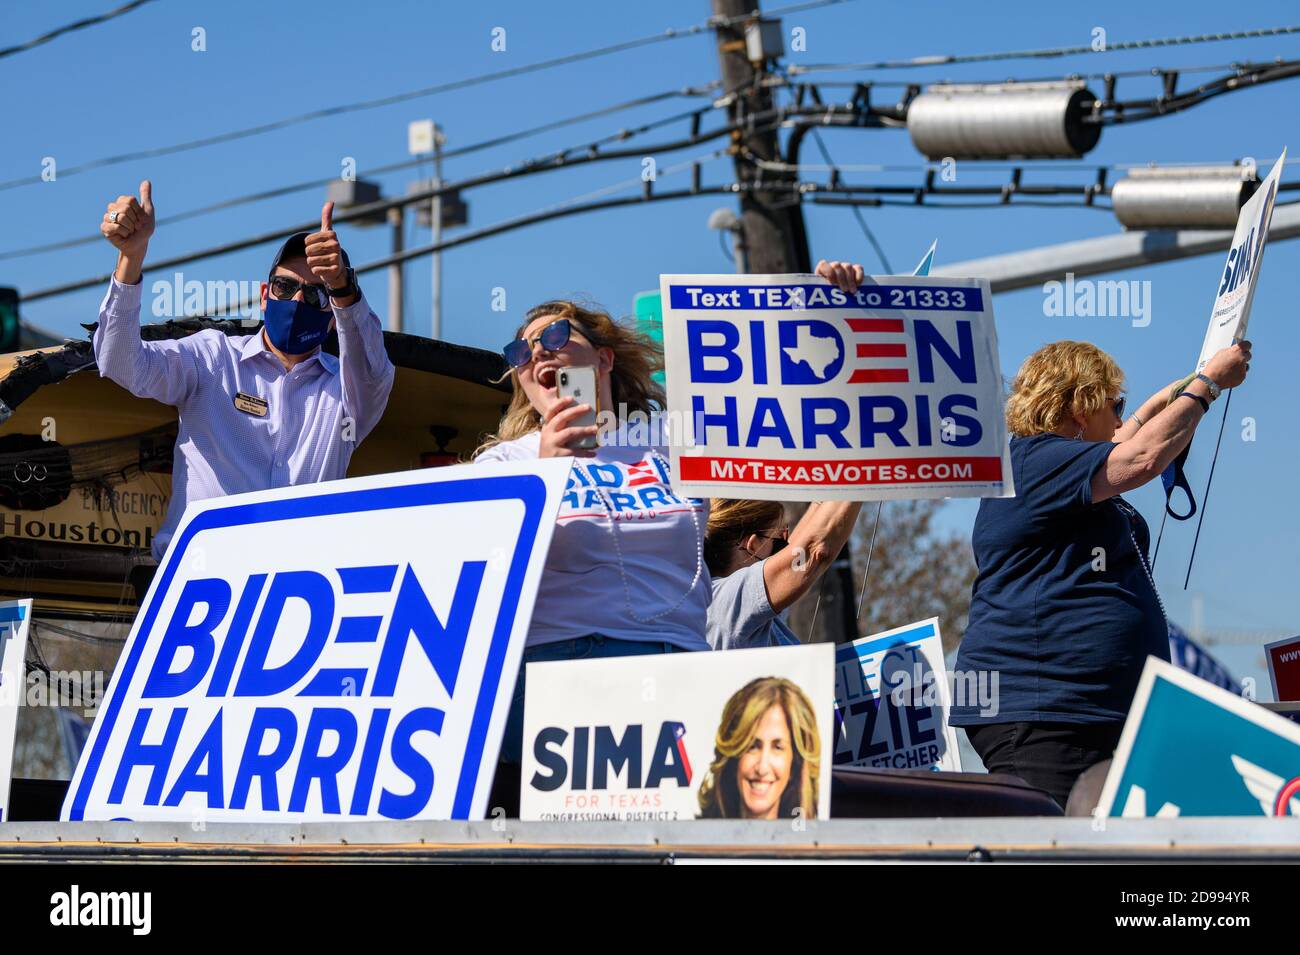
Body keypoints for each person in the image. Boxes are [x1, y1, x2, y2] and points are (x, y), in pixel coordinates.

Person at [950, 338, 1252, 808]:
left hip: (1080, 710)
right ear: (1078, 406)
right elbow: (1141, 458)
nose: (1120, 416)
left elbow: (1125, 441)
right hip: (1048, 711)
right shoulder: (1035, 460)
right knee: (1057, 858)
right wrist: (1208, 386)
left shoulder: (1053, 465)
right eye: (1115, 403)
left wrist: (1168, 399)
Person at [95, 181, 395, 564]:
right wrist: (130, 260)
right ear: (264, 294)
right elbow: (119, 363)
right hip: (197, 586)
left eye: (317, 294)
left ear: (334, 316)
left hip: (292, 594)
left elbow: (373, 371)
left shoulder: (347, 394)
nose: (298, 299)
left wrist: (343, 287)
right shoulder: (212, 357)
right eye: (286, 287)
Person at [704, 498, 863, 650]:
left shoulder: (723, 601)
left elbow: (802, 542)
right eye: (780, 538)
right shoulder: (727, 600)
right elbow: (815, 548)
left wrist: (824, 490)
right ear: (753, 546)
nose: (785, 546)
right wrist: (860, 476)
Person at [697, 676, 821, 820]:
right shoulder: (693, 840)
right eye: (752, 747)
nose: (762, 768)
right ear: (733, 758)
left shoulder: (817, 841)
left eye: (778, 748)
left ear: (794, 764)